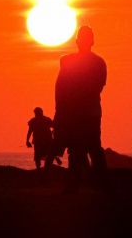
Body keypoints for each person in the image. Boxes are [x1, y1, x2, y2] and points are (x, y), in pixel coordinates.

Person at [54, 26, 107, 190]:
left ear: (92, 41)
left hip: (88, 112)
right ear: (77, 41)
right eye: (82, 38)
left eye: (87, 38)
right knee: (75, 148)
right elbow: (60, 87)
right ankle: (76, 182)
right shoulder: (67, 61)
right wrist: (60, 110)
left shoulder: (98, 62)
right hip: (73, 112)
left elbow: (97, 87)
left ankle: (98, 182)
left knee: (92, 147)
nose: (83, 42)